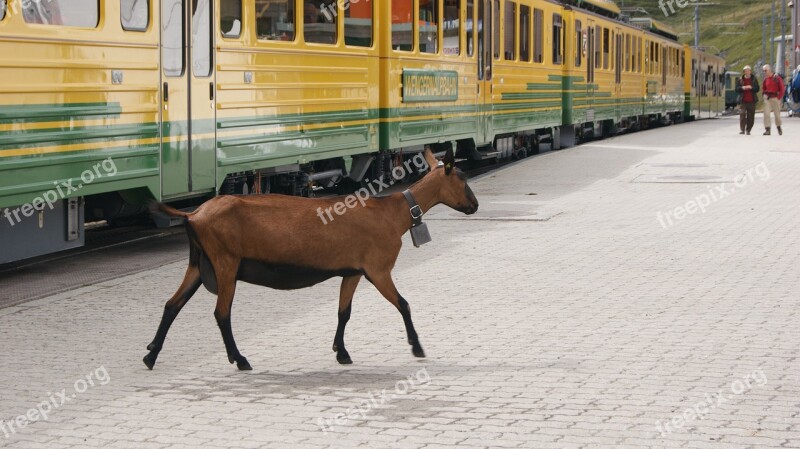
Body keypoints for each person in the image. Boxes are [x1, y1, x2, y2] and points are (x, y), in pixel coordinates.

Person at [761, 64, 785, 135]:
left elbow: (782, 88)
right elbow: (764, 88)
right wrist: (764, 95)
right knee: (766, 114)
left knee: (777, 114)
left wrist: (778, 98)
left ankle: (778, 127)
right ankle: (767, 129)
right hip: (767, 98)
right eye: (763, 71)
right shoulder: (765, 79)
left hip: (775, 98)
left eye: (765, 70)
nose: (764, 72)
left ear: (769, 70)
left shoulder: (777, 78)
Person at [735, 65, 759, 135]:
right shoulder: (740, 79)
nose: (747, 72)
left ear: (750, 71)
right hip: (743, 100)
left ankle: (748, 130)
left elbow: (757, 89)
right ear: (744, 72)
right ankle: (742, 130)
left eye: (748, 71)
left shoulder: (754, 79)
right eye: (745, 71)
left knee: (751, 116)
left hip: (752, 100)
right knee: (742, 114)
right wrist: (742, 88)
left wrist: (751, 87)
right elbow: (736, 89)